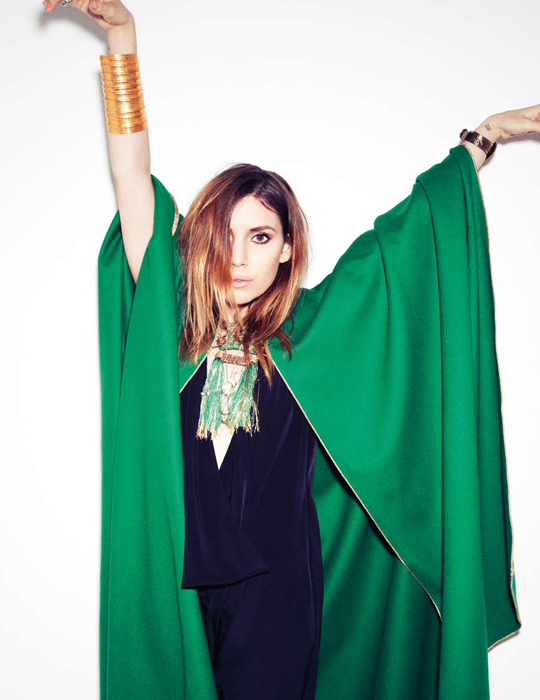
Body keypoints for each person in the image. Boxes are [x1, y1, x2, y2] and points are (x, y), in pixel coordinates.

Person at [44, 1, 538, 698]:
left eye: (261, 237)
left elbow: (404, 246)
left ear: (286, 249)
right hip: (179, 589)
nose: (240, 257)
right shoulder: (174, 330)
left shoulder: (309, 333)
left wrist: (486, 137)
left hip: (278, 596)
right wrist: (122, 36)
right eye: (225, 236)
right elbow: (132, 179)